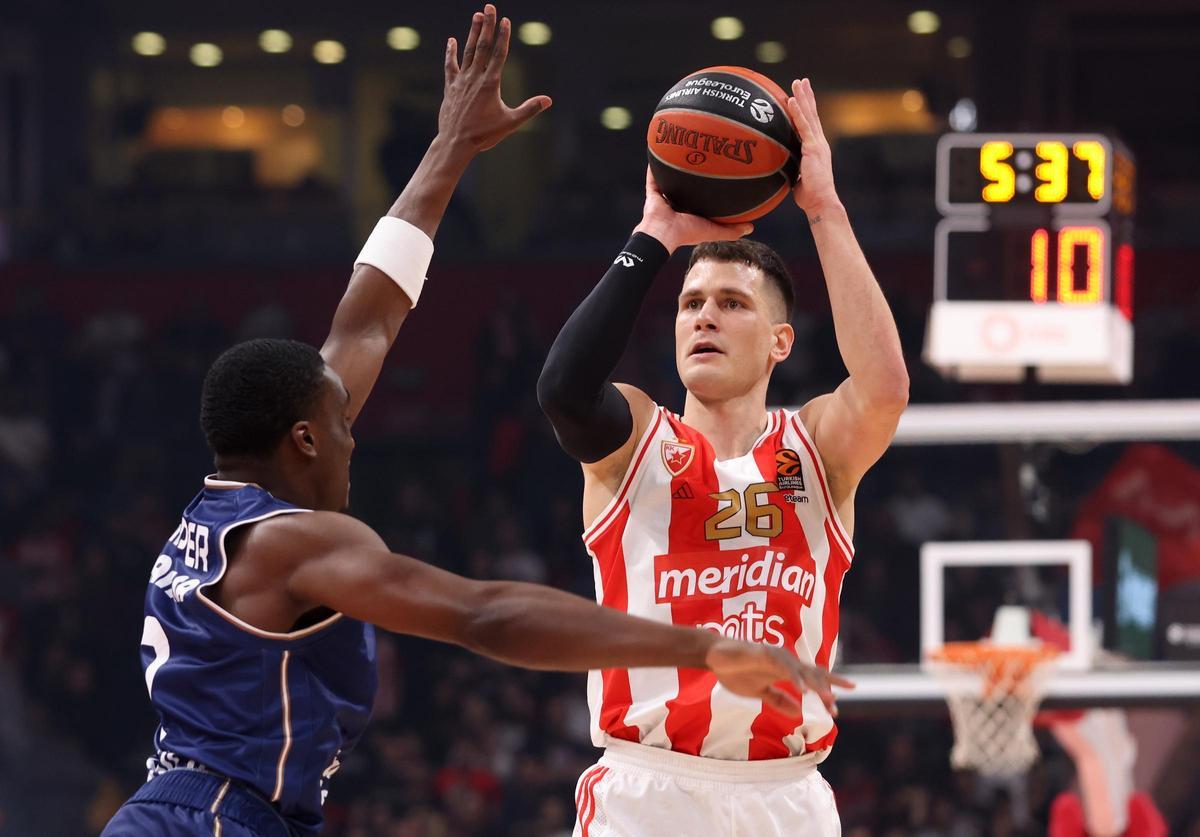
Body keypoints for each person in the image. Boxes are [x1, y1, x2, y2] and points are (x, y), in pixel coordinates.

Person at [101, 11, 847, 837]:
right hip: (211, 820)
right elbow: (483, 614)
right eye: (341, 426)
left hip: (207, 807)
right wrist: (700, 649)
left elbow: (369, 321)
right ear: (303, 439)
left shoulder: (229, 501)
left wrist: (449, 149)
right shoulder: (292, 543)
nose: (354, 435)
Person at [537, 78, 907, 836]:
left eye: (732, 302)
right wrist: (655, 236)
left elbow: (885, 387)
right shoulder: (639, 439)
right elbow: (565, 390)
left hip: (788, 794)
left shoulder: (817, 450)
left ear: (780, 342)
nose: (704, 314)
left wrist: (825, 210)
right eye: (691, 302)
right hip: (650, 789)